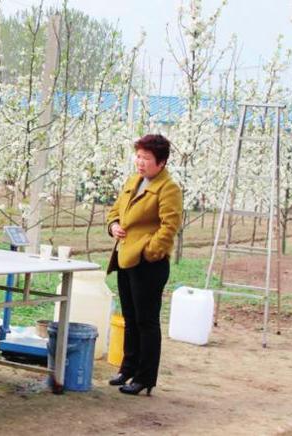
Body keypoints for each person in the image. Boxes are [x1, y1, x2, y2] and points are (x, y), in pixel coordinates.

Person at [105, 134, 183, 396]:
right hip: (126, 258)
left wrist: (150, 252)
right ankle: (127, 368)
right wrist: (114, 226)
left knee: (146, 321)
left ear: (160, 162)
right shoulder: (133, 181)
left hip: (148, 264)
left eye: (146, 158)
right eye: (138, 156)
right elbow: (115, 211)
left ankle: (145, 377)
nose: (140, 162)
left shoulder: (168, 188)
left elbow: (169, 226)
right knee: (130, 317)